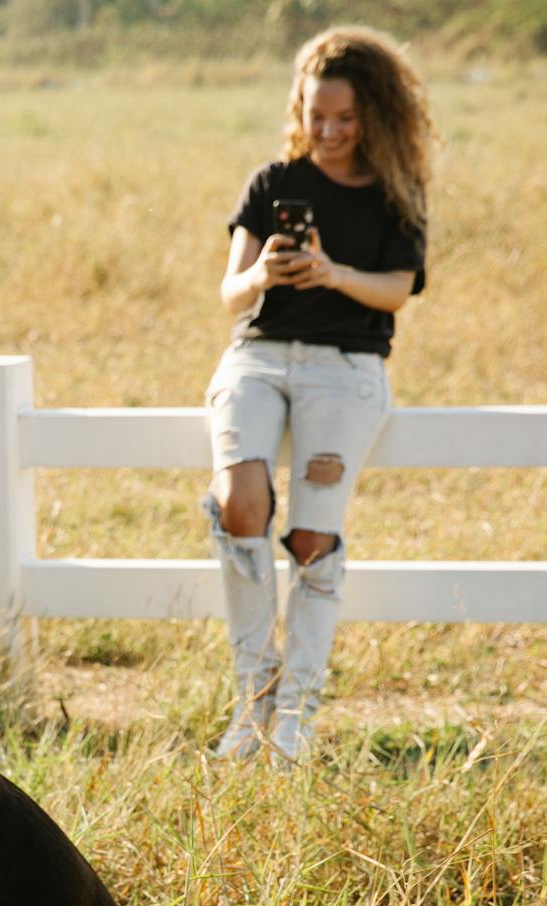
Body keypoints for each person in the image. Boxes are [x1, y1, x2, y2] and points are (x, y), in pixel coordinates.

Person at [203, 26, 436, 764]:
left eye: (345, 119)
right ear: (298, 110)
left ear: (374, 115)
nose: (329, 132)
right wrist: (265, 276)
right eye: (316, 116)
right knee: (239, 500)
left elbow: (397, 290)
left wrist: (333, 273)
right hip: (258, 358)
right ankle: (252, 698)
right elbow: (229, 295)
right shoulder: (273, 182)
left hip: (347, 366)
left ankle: (295, 717)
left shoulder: (397, 193)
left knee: (312, 537)